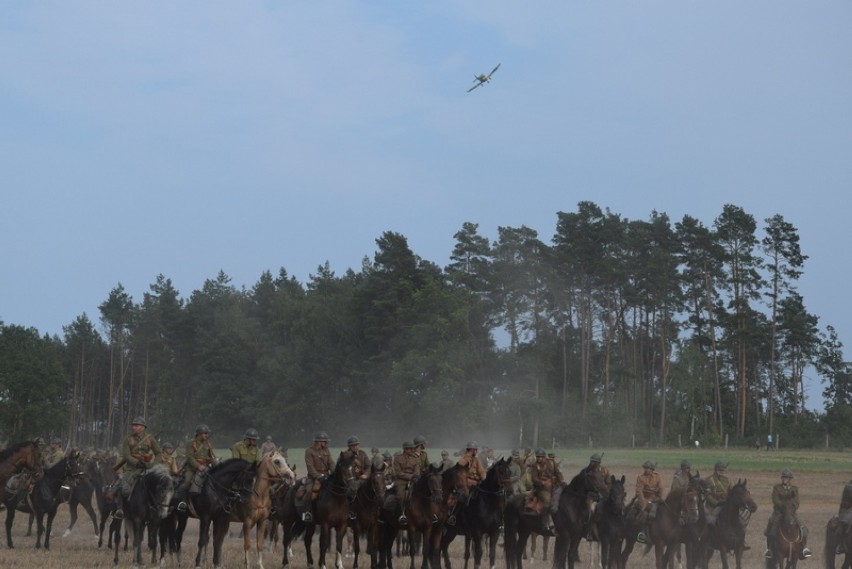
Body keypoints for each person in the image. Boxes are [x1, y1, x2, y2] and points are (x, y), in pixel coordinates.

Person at [115, 417, 162, 519]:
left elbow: (158, 453)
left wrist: (153, 464)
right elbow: (126, 455)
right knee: (123, 487)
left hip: (147, 468)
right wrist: (137, 463)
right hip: (131, 468)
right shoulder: (128, 439)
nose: (134, 427)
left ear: (143, 427)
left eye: (136, 426)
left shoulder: (150, 439)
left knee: (161, 485)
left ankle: (159, 508)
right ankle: (120, 509)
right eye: (133, 425)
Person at [765, 469, 812, 559]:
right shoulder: (777, 488)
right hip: (779, 512)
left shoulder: (795, 489)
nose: (784, 479)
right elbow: (775, 500)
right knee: (771, 524)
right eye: (783, 477)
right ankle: (769, 549)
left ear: (790, 479)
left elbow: (797, 502)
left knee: (803, 527)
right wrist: (784, 506)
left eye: (786, 477)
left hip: (791, 513)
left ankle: (804, 548)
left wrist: (790, 507)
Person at [176, 423, 216, 513]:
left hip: (205, 467)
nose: (207, 435)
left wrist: (214, 462)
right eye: (205, 433)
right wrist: (198, 466)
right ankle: (182, 502)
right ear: (199, 434)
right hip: (192, 468)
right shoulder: (191, 443)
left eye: (207, 433)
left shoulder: (208, 443)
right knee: (186, 482)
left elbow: (210, 456)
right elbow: (189, 457)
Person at [297, 431, 335, 522]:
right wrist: (319, 476)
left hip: (326, 477)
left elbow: (331, 463)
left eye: (326, 442)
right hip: (313, 478)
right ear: (318, 442)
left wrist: (334, 473)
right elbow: (310, 467)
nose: (325, 443)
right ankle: (307, 514)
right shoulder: (309, 451)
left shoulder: (326, 450)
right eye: (324, 441)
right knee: (309, 492)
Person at [523, 448, 560, 535]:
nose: (539, 458)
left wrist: (561, 481)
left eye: (541, 457)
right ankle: (545, 523)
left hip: (554, 486)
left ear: (544, 457)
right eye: (538, 457)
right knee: (547, 501)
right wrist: (543, 483)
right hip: (541, 488)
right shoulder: (534, 466)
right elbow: (534, 478)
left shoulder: (551, 462)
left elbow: (558, 473)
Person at [634, 460, 664, 543]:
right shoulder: (640, 478)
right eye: (645, 468)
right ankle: (642, 532)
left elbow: (661, 488)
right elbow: (639, 492)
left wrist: (661, 498)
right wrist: (644, 503)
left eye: (648, 468)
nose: (646, 470)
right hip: (644, 499)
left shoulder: (657, 477)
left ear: (652, 469)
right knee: (645, 513)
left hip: (655, 499)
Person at [392, 441, 421, 525]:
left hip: (414, 481)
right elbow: (398, 472)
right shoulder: (398, 458)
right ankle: (402, 514)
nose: (412, 450)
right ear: (405, 449)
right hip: (401, 481)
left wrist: (413, 477)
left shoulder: (415, 458)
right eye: (410, 448)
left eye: (412, 448)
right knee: (401, 495)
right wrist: (410, 476)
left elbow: (417, 472)